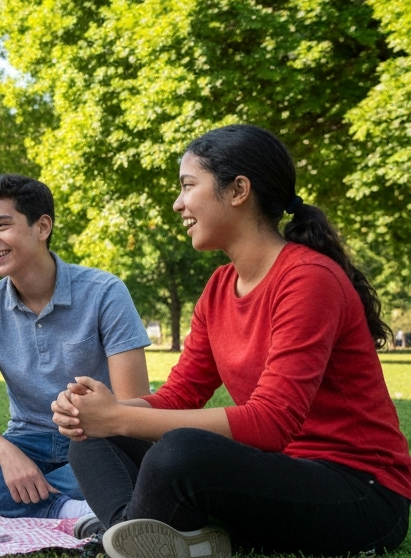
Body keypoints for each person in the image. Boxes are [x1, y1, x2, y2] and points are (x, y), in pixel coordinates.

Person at [55, 124, 411, 558]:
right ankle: (150, 537)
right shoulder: (220, 286)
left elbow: (271, 422)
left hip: (360, 492)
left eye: (188, 186)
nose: (178, 204)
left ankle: (122, 533)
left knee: (179, 453)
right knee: (90, 438)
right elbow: (180, 394)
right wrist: (100, 414)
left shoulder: (308, 279)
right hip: (275, 478)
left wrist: (118, 418)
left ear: (238, 190)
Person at [0, 175, 150, 531]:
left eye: (1, 225)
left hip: (95, 446)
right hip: (23, 443)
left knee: (135, 471)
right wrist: (9, 457)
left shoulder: (104, 292)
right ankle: (66, 509)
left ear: (42, 227)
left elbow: (133, 410)